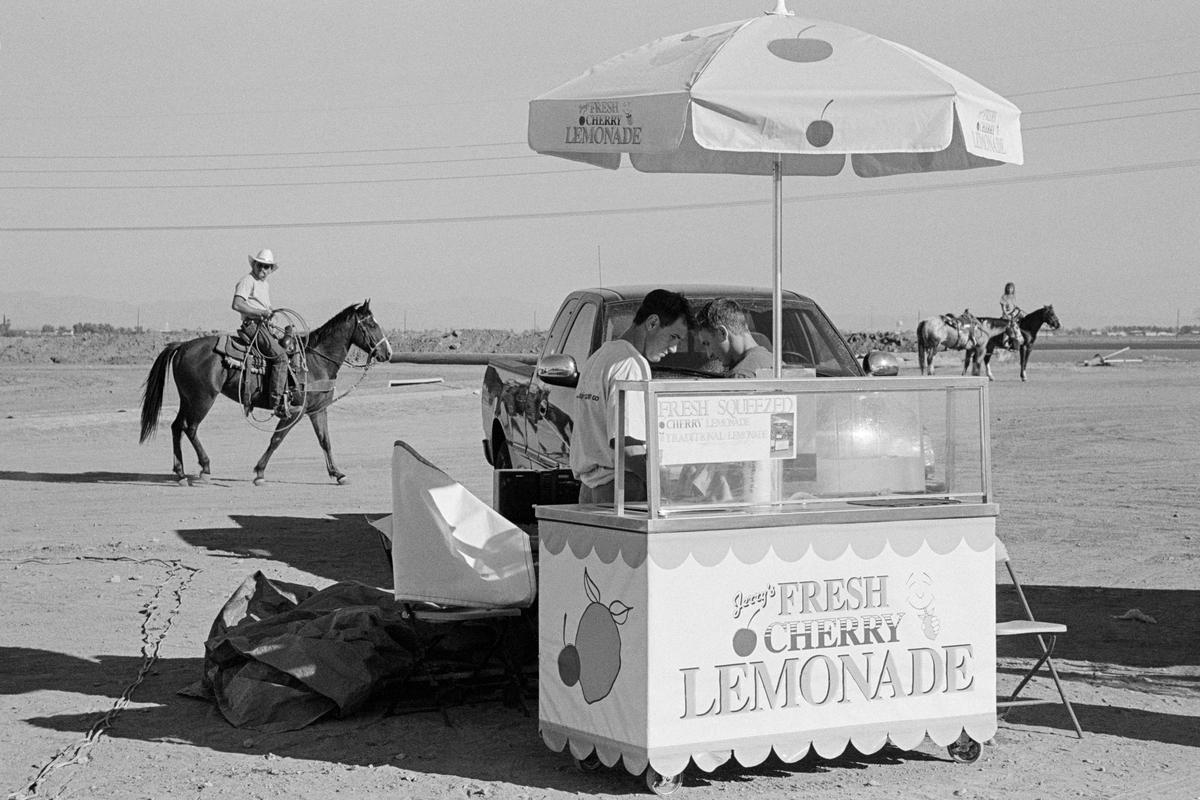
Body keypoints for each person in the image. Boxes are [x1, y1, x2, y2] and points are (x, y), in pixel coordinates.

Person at [569, 289, 695, 505]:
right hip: (620, 489)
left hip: (590, 488)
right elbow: (628, 444)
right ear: (653, 323)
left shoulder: (600, 356)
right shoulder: (631, 364)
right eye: (673, 337)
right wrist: (665, 486)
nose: (674, 349)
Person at [232, 249, 294, 417]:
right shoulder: (247, 281)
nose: (263, 269)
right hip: (253, 325)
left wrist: (270, 315)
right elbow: (237, 304)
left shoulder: (264, 285)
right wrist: (260, 313)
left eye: (267, 267)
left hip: (264, 326)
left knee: (291, 346)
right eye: (261, 265)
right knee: (281, 357)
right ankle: (276, 402)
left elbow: (263, 307)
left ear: (270, 269)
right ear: (255, 265)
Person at [695, 298, 773, 378]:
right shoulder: (778, 365)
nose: (709, 354)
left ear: (722, 333)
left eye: (707, 343)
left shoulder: (740, 376)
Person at [1000, 282, 1022, 349]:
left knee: (1017, 327)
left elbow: (1014, 306)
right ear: (1006, 289)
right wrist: (1007, 316)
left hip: (1013, 315)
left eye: (1011, 288)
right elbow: (1003, 309)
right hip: (1006, 316)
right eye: (1008, 288)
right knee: (1008, 328)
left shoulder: (1013, 297)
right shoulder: (1004, 297)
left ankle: (1019, 341)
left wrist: (1017, 310)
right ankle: (1005, 342)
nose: (1010, 289)